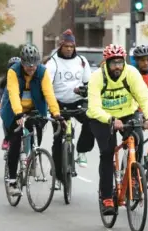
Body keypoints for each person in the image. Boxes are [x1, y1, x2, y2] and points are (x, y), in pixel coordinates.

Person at [86, 44, 148, 215]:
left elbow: (144, 96)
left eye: (120, 62)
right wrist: (110, 119)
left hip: (127, 113)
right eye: (113, 63)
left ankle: (133, 178)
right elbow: (94, 107)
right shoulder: (97, 77)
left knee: (137, 138)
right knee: (108, 153)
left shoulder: (131, 73)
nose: (117, 66)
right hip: (102, 117)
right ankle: (107, 198)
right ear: (106, 63)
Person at [0, 44, 63, 195]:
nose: (31, 68)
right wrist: (19, 114)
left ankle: (33, 155)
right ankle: (13, 181)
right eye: (28, 66)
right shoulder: (13, 72)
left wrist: (56, 113)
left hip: (35, 108)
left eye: (34, 65)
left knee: (37, 132)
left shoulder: (42, 72)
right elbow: (14, 94)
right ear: (22, 62)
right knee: (15, 141)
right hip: (14, 110)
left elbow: (49, 93)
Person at [45, 29, 95, 177]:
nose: (69, 49)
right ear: (61, 46)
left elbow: (88, 82)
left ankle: (82, 151)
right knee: (58, 137)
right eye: (66, 46)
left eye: (71, 46)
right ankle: (57, 172)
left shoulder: (81, 61)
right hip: (58, 103)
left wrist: (84, 90)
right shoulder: (53, 62)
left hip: (77, 101)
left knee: (91, 118)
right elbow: (46, 84)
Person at [0, 57, 21, 150]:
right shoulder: (5, 80)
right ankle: (7, 139)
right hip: (9, 106)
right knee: (7, 121)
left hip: (22, 105)